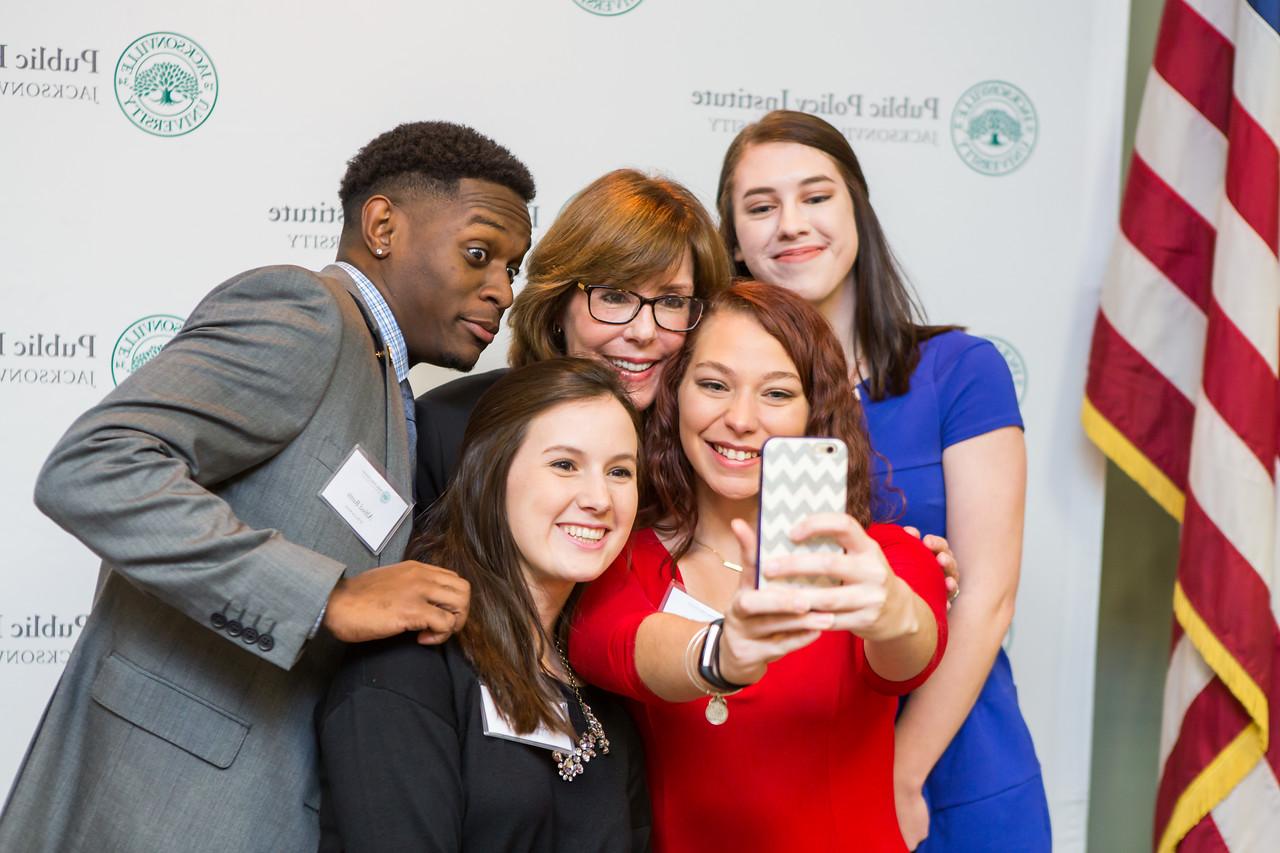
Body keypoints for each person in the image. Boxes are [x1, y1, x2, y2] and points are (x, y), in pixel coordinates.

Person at [0, 121, 534, 853]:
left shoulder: (383, 382)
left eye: (515, 268)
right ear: (382, 225)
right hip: (160, 808)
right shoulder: (307, 314)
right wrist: (327, 596)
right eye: (480, 254)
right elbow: (95, 465)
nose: (501, 290)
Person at [716, 110, 1049, 850]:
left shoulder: (960, 371)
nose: (790, 224)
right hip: (783, 762)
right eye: (760, 207)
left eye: (815, 196)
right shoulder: (713, 404)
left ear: (857, 207)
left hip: (950, 761)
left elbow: (988, 597)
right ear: (733, 239)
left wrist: (900, 774)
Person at [570, 282, 949, 852]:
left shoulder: (884, 558)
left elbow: (911, 657)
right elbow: (613, 645)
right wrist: (721, 653)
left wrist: (892, 612)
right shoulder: (620, 558)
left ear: (815, 410)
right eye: (714, 385)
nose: (741, 419)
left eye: (776, 394)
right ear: (675, 395)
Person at [317, 358, 651, 852]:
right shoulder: (410, 666)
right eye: (565, 465)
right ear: (489, 472)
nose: (600, 498)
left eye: (620, 471)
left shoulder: (602, 695)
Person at [415, 168, 732, 507]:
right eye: (614, 297)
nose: (643, 332)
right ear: (557, 305)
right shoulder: (449, 431)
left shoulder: (712, 448)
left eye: (672, 302)